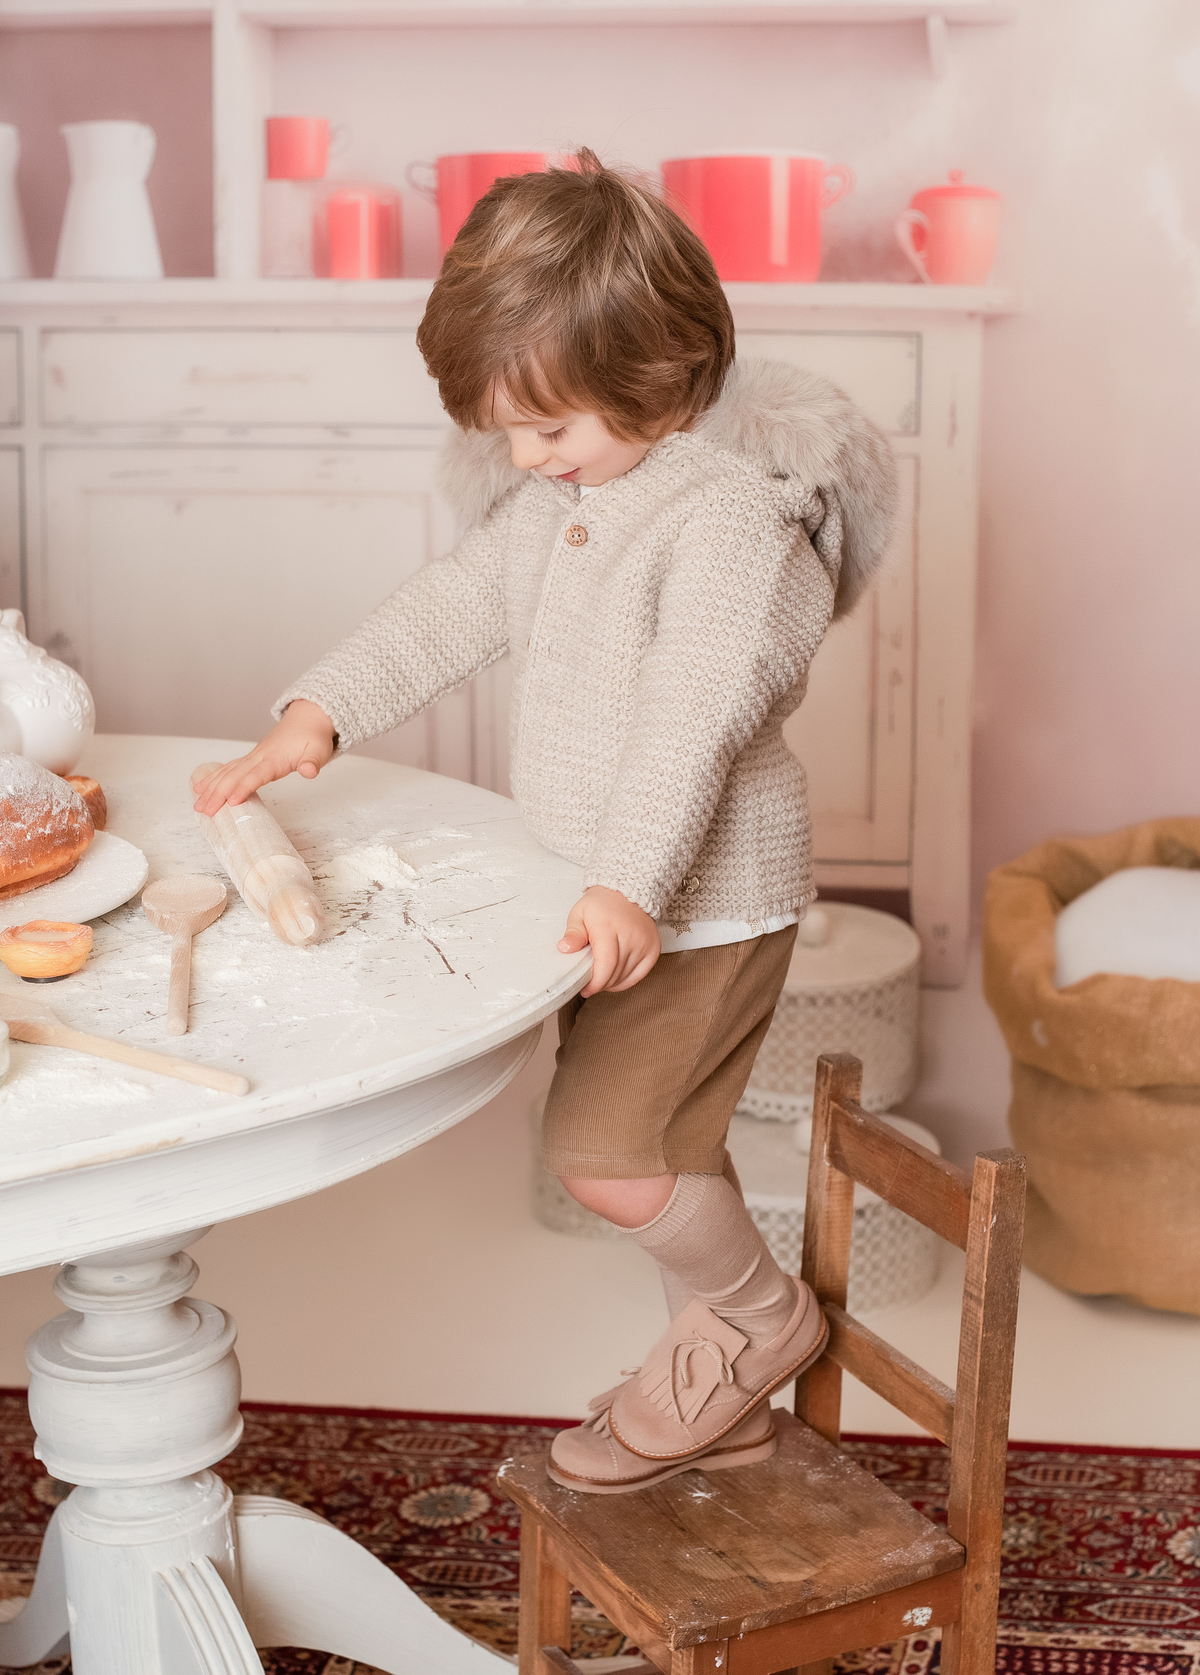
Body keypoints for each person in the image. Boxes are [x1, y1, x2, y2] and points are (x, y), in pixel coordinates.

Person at [194, 150, 897, 1494]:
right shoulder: (570, 496)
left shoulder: (727, 527)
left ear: (663, 377)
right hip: (609, 893)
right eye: (506, 433)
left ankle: (758, 1316)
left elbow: (689, 718)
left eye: (551, 431)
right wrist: (320, 710)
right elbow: (449, 605)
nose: (525, 461)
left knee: (607, 1153)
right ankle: (727, 1385)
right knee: (661, 1144)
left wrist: (630, 879)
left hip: (703, 898)